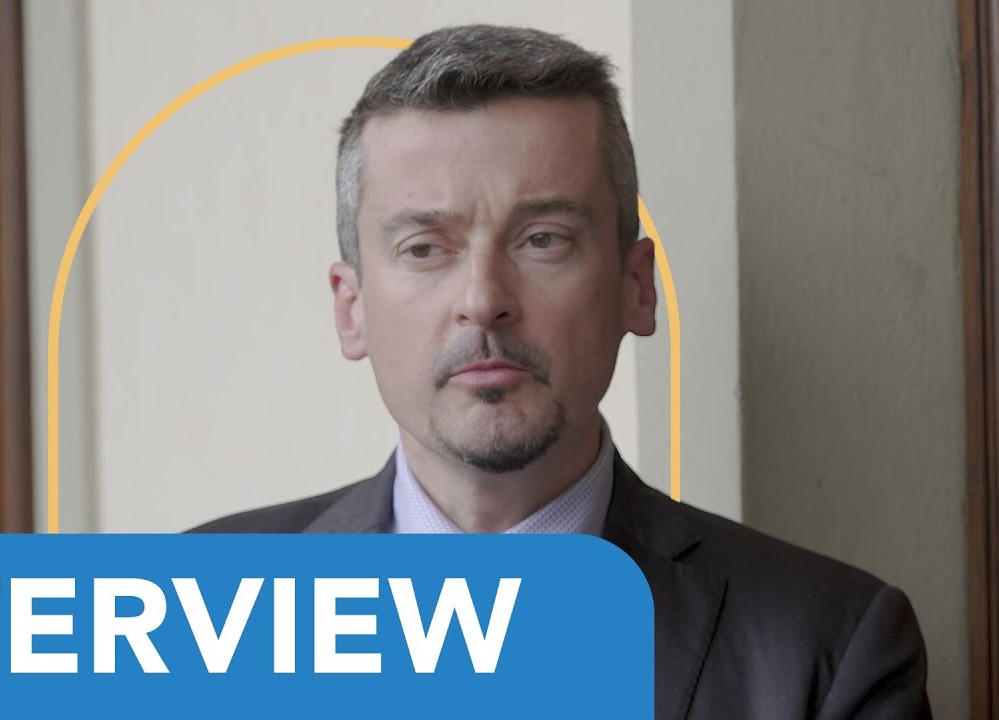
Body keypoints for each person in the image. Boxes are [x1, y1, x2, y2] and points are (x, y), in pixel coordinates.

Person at [191, 24, 931, 718]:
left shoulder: (833, 649)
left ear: (636, 288)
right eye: (424, 248)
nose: (483, 300)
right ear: (351, 308)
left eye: (543, 239)